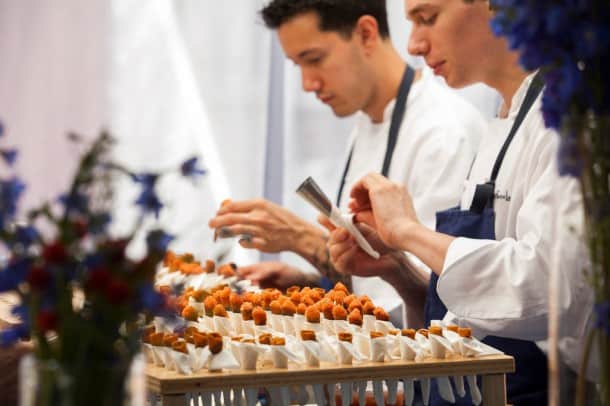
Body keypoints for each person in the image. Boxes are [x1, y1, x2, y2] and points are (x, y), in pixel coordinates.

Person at [325, 0, 593, 404]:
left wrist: (410, 233)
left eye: (427, 19)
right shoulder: (505, 121)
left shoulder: (573, 116)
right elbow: (472, 313)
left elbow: (550, 292)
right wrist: (398, 267)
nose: (413, 45)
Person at [208, 0, 487, 328]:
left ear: (367, 34)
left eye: (314, 59)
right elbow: (372, 281)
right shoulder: (367, 123)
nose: (307, 84)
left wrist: (303, 239)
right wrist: (307, 283)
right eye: (297, 65)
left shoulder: (444, 132)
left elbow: (440, 300)